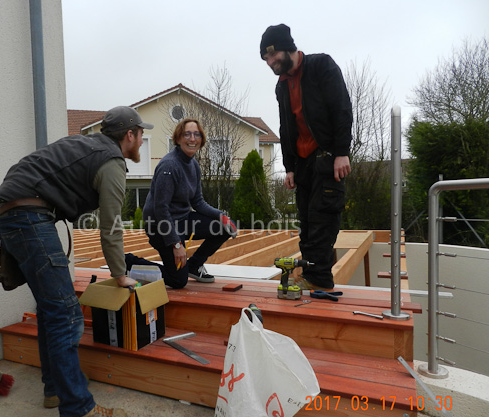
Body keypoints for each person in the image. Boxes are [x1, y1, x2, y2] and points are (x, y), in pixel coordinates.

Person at [0, 106, 153, 417]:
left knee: (52, 309)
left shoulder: (89, 147)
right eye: (140, 135)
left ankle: (56, 388)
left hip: (16, 212)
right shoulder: (111, 162)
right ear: (130, 136)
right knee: (66, 313)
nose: (141, 141)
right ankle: (77, 411)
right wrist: (121, 274)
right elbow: (111, 228)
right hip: (29, 215)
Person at [260, 24, 353, 290]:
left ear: (287, 47)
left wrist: (341, 152)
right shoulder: (282, 85)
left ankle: (319, 283)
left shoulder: (321, 66)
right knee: (308, 226)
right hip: (302, 165)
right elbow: (285, 127)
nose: (270, 61)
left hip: (326, 158)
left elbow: (342, 108)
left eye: (273, 54)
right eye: (266, 58)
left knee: (323, 222)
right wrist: (289, 167)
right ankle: (313, 280)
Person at [125, 118, 237, 289]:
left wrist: (221, 216)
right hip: (161, 227)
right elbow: (160, 209)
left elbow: (198, 202)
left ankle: (194, 265)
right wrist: (176, 243)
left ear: (201, 140)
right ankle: (127, 261)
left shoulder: (193, 165)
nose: (192, 139)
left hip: (181, 220)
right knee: (178, 280)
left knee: (222, 227)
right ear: (178, 139)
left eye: (196, 134)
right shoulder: (169, 166)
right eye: (187, 134)